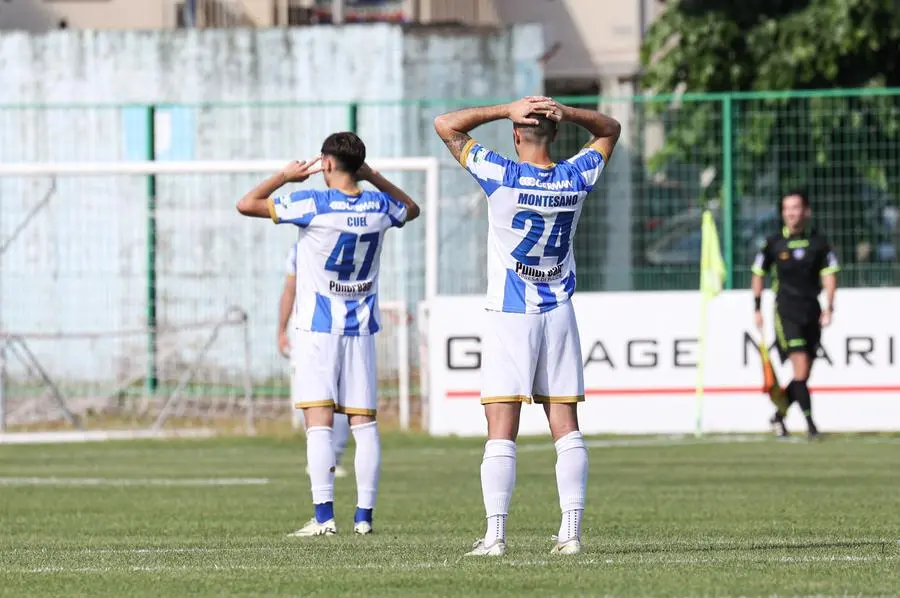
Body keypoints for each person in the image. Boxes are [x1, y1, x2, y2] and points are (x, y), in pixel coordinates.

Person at [434, 96, 620, 556]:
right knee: (566, 424)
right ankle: (571, 534)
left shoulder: (501, 174)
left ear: (517, 134)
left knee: (501, 426)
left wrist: (504, 109)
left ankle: (496, 536)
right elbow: (610, 129)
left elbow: (446, 126)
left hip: (510, 314)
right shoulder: (575, 177)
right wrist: (570, 113)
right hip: (558, 309)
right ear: (555, 133)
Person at [237, 132, 420, 536]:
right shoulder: (378, 205)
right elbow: (412, 208)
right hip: (360, 328)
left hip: (319, 330)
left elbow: (245, 204)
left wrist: (284, 176)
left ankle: (323, 518)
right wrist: (374, 177)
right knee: (364, 422)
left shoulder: (312, 203)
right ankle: (364, 518)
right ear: (359, 165)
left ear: (327, 163)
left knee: (318, 421)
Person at [751, 191, 839, 440]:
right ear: (782, 213)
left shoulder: (819, 243)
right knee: (800, 365)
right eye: (787, 208)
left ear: (806, 211)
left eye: (796, 207)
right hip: (786, 312)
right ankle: (811, 426)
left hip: (811, 311)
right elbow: (758, 273)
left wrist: (830, 305)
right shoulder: (773, 243)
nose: (792, 213)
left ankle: (778, 417)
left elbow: (830, 274)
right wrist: (757, 307)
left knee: (804, 372)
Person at [278, 243, 350, 478]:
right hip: (343, 329)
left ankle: (328, 458)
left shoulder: (302, 246)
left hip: (314, 331)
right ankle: (327, 457)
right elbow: (290, 289)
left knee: (320, 398)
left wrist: (281, 329)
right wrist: (280, 329)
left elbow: (290, 289)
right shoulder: (301, 248)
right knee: (336, 398)